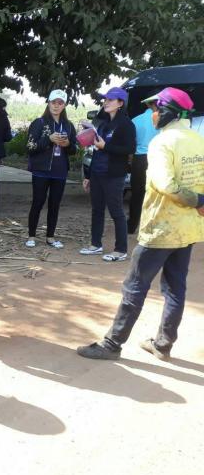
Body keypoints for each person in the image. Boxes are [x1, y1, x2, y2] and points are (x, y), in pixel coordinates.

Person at [77, 87, 204, 361]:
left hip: (161, 227)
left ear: (168, 112)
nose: (152, 115)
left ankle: (112, 344)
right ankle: (163, 344)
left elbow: (165, 184)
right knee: (175, 288)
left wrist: (196, 199)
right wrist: (199, 201)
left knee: (134, 285)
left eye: (155, 110)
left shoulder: (162, 142)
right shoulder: (197, 140)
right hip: (189, 228)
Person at [79, 86, 136, 261]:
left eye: (110, 100)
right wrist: (88, 176)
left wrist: (106, 146)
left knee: (116, 211)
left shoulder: (126, 124)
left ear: (120, 103)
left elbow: (129, 149)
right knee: (97, 209)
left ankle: (121, 250)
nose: (106, 102)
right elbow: (96, 151)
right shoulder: (103, 124)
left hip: (114, 174)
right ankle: (95, 245)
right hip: (97, 172)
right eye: (105, 99)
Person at [24, 89, 77, 248]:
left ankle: (50, 237)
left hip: (60, 171)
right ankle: (31, 236)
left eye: (60, 103)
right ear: (48, 103)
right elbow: (30, 147)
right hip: (41, 170)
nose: (56, 106)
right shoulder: (39, 122)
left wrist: (67, 144)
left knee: (55, 204)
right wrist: (48, 139)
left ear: (64, 105)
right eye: (53, 102)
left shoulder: (69, 125)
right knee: (38, 202)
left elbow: (74, 150)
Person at [128, 104, 160, 234]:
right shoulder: (163, 120)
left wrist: (131, 160)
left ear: (147, 104)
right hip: (157, 158)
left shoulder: (136, 120)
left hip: (139, 159)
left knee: (137, 194)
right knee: (155, 194)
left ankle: (132, 226)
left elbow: (131, 143)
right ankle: (152, 227)